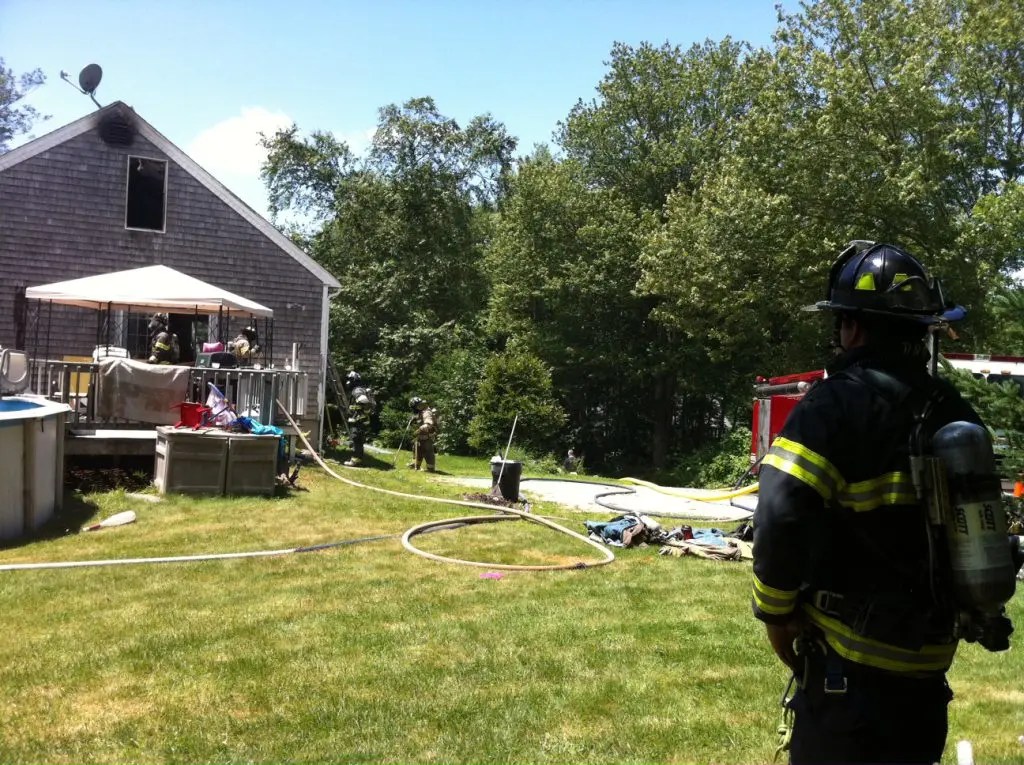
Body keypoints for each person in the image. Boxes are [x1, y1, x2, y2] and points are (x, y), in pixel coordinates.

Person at [751, 241, 1016, 764]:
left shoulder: (834, 404)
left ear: (851, 327)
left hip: (847, 680)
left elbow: (780, 514)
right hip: (926, 674)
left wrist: (776, 618)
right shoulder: (953, 411)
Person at [342, 371, 375, 467]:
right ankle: (358, 460)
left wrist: (361, 413)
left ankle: (354, 461)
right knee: (359, 441)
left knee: (356, 440)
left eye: (349, 380)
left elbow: (363, 400)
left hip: (358, 420)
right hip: (361, 420)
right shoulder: (360, 389)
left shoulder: (357, 390)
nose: (348, 382)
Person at [407, 396, 437, 472]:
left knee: (428, 452)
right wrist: (414, 419)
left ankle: (430, 468)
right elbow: (419, 419)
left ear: (417, 406)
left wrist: (420, 429)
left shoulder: (427, 412)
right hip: (421, 436)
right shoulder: (421, 411)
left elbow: (427, 423)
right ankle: (416, 465)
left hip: (427, 437)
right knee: (417, 449)